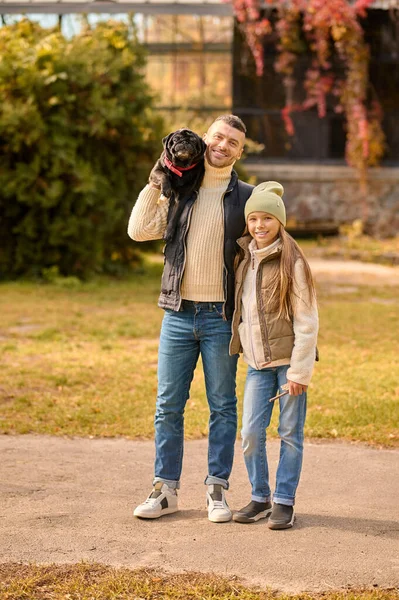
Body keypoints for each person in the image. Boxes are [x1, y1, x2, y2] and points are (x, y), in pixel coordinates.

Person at [128, 115, 254, 522]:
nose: (223, 145)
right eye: (218, 136)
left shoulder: (247, 197)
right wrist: (157, 179)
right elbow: (138, 231)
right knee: (168, 405)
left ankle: (217, 490)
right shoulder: (180, 189)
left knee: (222, 405)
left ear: (239, 151)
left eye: (232, 142)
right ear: (205, 138)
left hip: (220, 317)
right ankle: (165, 490)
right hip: (178, 315)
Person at [229, 181, 319, 529]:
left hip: (288, 367)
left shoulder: (292, 262)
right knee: (251, 434)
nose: (259, 226)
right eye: (253, 219)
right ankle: (260, 496)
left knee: (290, 433)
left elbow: (307, 321)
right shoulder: (244, 259)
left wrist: (300, 371)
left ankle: (284, 501)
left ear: (280, 222)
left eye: (267, 218)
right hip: (257, 366)